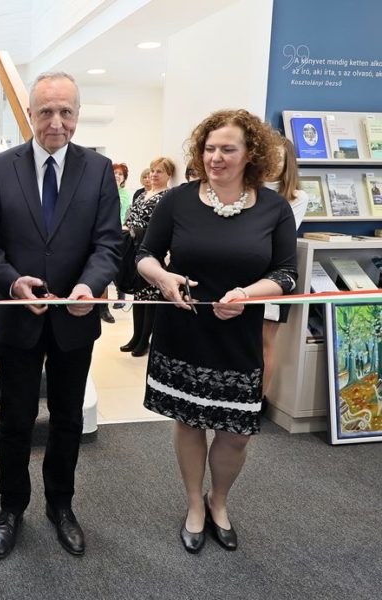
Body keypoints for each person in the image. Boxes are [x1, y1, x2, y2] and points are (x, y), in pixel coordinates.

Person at [135, 109, 297, 554]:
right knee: (189, 423)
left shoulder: (274, 208)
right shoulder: (177, 200)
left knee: (235, 433)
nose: (216, 157)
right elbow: (145, 255)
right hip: (183, 332)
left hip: (239, 336)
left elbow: (286, 274)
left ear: (251, 154)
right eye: (209, 149)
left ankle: (218, 501)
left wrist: (246, 293)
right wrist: (163, 278)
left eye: (228, 149)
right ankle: (194, 503)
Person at [0, 72, 120, 559]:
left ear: (77, 115)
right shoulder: (0, 168)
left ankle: (61, 504)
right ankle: (11, 506)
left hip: (74, 319)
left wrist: (90, 285)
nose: (56, 122)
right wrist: (12, 282)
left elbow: (109, 243)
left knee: (67, 418)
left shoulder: (99, 169)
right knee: (15, 418)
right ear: (30, 114)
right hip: (19, 318)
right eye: (46, 112)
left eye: (66, 112)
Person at [261, 134, 308, 401]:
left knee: (264, 342)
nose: (271, 163)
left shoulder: (297, 197)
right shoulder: (246, 188)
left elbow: (281, 236)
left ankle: (258, 401)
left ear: (287, 161)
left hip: (274, 278)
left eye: (277, 158)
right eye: (267, 156)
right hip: (240, 277)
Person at [120, 157, 175, 357]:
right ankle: (136, 336)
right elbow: (131, 217)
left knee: (150, 296)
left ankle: (144, 340)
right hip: (134, 249)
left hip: (152, 251)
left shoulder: (167, 196)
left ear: (169, 175)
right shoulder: (143, 193)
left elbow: (162, 226)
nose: (154, 174)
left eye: (159, 171)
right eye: (152, 171)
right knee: (138, 296)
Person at [112, 162, 131, 309]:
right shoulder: (104, 189)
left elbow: (123, 211)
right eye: (115, 173)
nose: (117, 176)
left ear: (124, 178)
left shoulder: (125, 193)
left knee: (118, 264)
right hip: (103, 231)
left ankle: (121, 296)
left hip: (119, 231)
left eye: (120, 174)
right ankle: (102, 307)